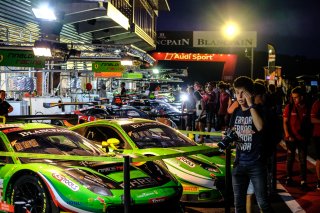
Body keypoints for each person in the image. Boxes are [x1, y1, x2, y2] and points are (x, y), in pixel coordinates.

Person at [229, 76, 273, 213]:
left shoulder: (259, 110)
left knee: (263, 204)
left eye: (243, 92)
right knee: (238, 206)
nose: (240, 96)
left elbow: (260, 127)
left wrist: (251, 104)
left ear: (251, 93)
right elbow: (233, 132)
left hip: (256, 164)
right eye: (237, 92)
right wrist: (229, 136)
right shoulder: (236, 113)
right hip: (239, 163)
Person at [283, 86, 311, 189]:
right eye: (293, 97)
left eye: (296, 97)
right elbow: (285, 122)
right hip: (290, 138)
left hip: (302, 138)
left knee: (302, 159)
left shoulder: (307, 108)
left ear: (302, 97)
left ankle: (303, 180)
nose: (294, 99)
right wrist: (287, 134)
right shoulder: (289, 107)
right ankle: (289, 177)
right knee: (290, 158)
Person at [311, 96, 320, 190]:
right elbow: (312, 119)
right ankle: (319, 180)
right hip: (318, 135)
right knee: (319, 158)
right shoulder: (317, 104)